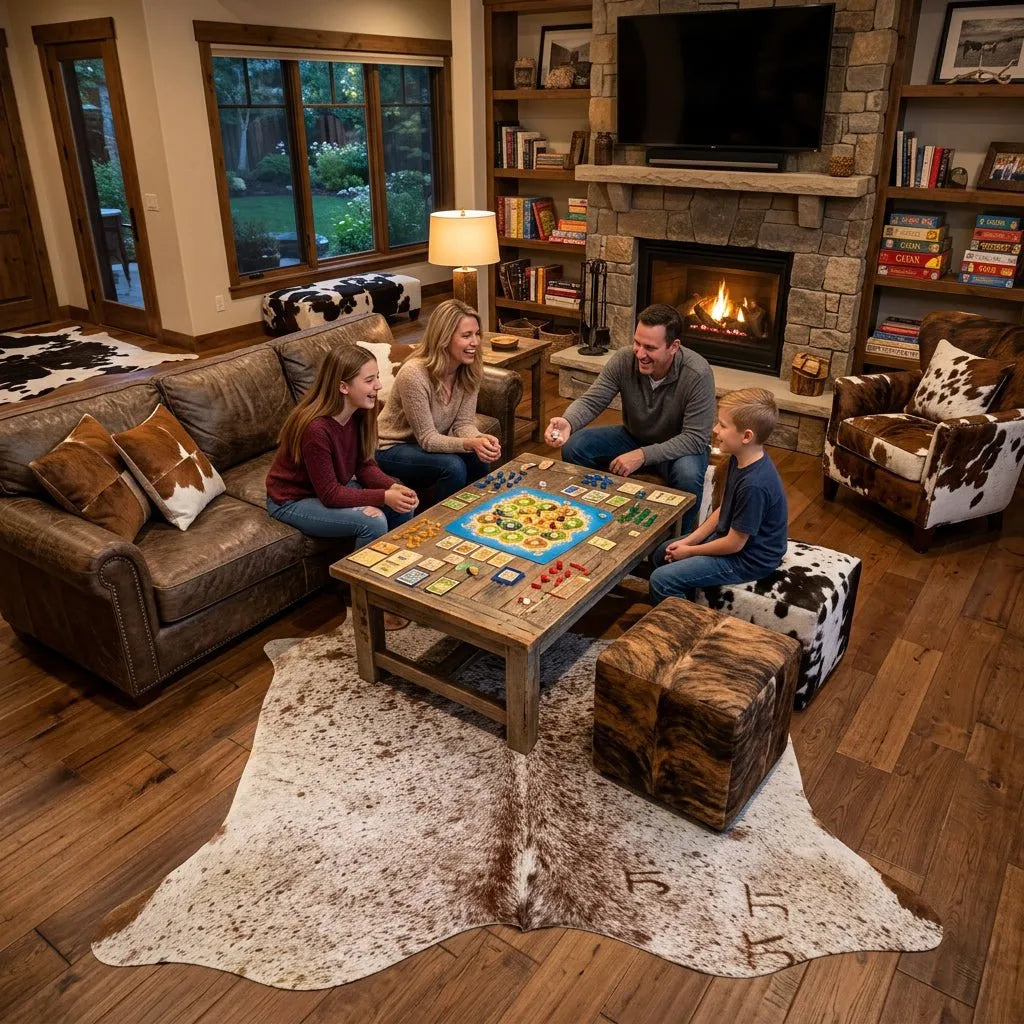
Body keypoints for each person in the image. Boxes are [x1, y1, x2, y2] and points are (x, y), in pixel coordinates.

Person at [544, 303, 714, 535]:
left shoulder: (698, 373)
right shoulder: (625, 359)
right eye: (637, 343)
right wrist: (568, 422)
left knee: (688, 476)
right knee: (575, 447)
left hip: (678, 449)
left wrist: (642, 456)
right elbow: (593, 399)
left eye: (650, 348)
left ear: (674, 346)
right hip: (634, 436)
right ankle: (597, 516)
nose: (640, 353)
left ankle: (674, 544)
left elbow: (695, 439)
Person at [265, 343, 419, 546]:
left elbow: (364, 466)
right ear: (344, 387)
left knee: (404, 504)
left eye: (377, 377)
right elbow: (330, 494)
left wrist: (393, 487)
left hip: (328, 487)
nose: (379, 386)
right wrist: (384, 496)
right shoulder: (316, 429)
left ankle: (395, 562)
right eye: (369, 380)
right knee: (373, 522)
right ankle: (366, 568)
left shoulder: (362, 411)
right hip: (291, 500)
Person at [648, 387, 788, 605]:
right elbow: (723, 510)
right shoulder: (737, 459)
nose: (715, 429)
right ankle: (686, 595)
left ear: (746, 436)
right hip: (731, 541)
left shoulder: (754, 485)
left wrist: (690, 552)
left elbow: (734, 544)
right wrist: (688, 541)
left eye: (722, 425)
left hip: (748, 560)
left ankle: (685, 622)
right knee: (661, 553)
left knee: (661, 581)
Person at [376, 299, 501, 501]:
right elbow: (427, 439)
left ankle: (477, 513)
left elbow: (463, 424)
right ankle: (439, 519)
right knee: (453, 467)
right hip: (391, 447)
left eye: (477, 334)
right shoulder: (414, 374)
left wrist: (480, 440)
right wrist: (469, 443)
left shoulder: (470, 369)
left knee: (478, 457)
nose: (475, 342)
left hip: (423, 442)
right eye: (466, 335)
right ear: (444, 338)